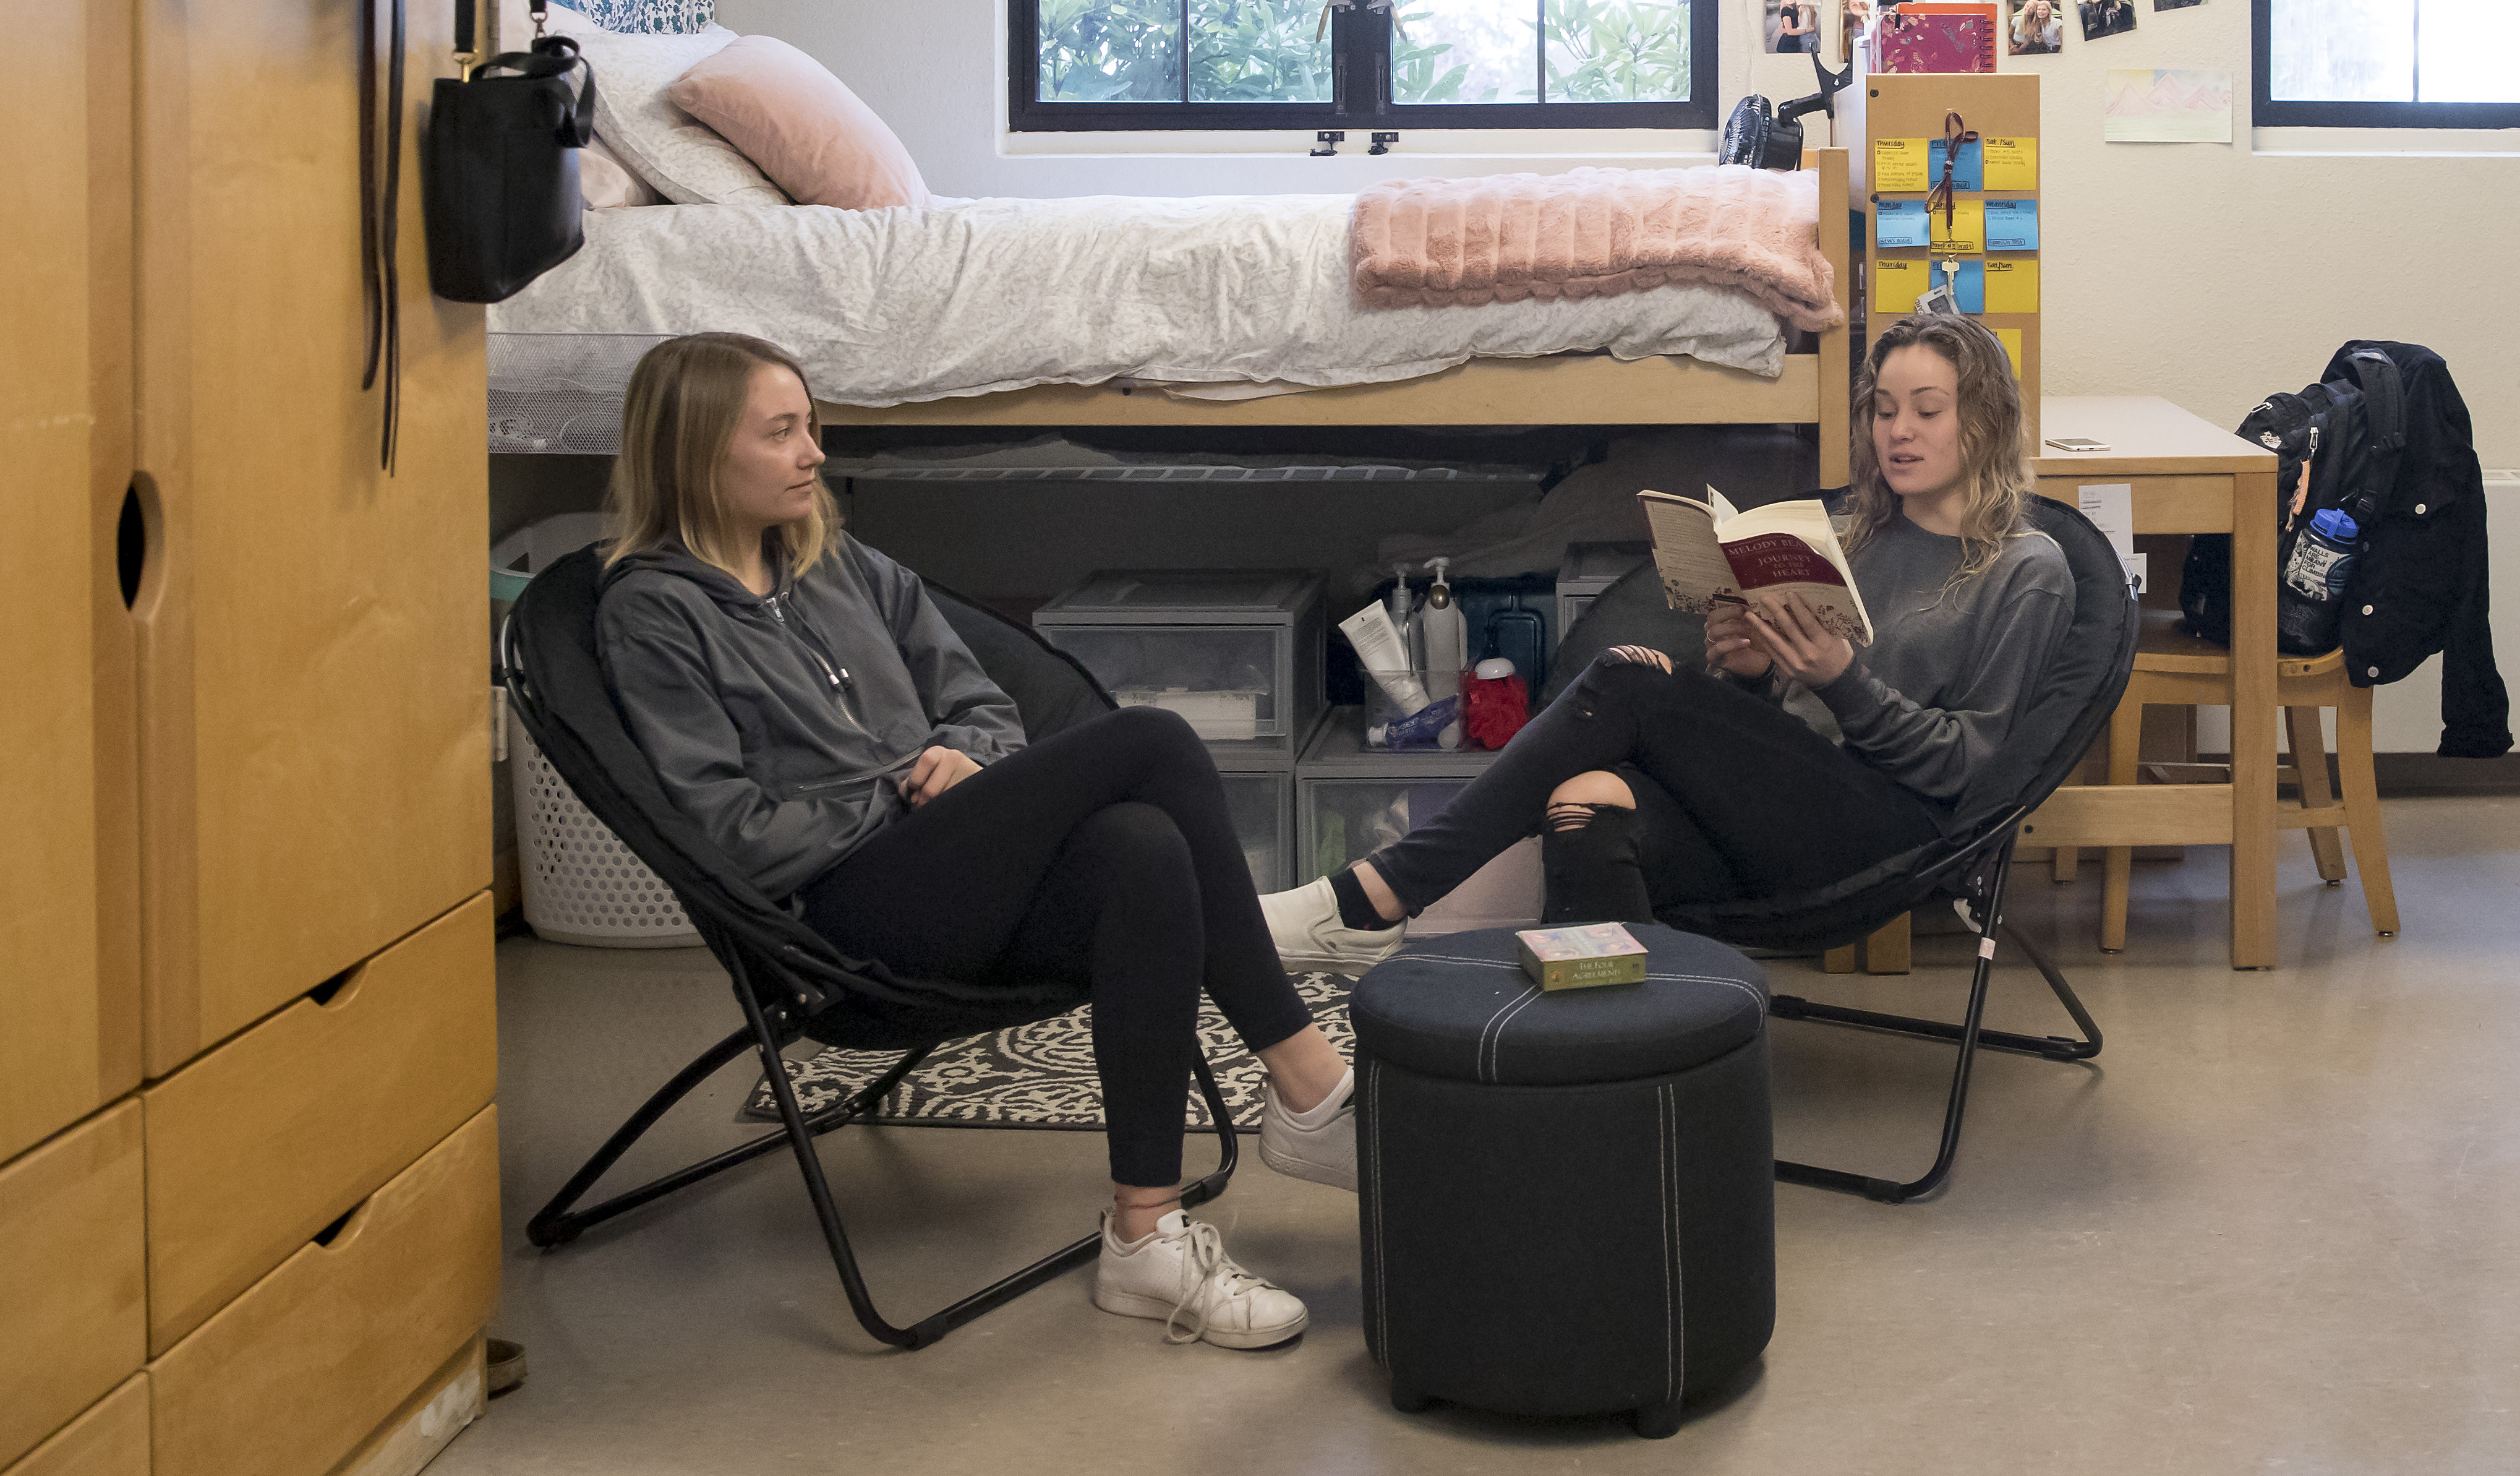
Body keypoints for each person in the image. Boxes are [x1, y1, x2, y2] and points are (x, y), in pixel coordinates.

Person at [596, 332, 1348, 1355]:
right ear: (695, 456)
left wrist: (969, 758)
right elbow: (732, 835)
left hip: (955, 884)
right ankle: (1310, 1086)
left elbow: (979, 695)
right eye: (782, 434)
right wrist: (905, 800)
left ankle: (1144, 1235)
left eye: (812, 425)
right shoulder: (653, 616)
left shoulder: (836, 560)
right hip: (843, 926)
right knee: (1156, 741)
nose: (815, 452)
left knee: (1142, 847)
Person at [1263, 316, 2072, 961]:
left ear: (1984, 421)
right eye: (1885, 409)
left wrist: (1840, 677)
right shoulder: (1852, 536)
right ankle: (1616, 1072)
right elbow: (1787, 737)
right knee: (1588, 808)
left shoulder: (2025, 570)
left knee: (1627, 677)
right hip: (1789, 815)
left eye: (1927, 410)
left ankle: (1373, 897)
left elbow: (1974, 770)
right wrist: (1753, 674)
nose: (1900, 429)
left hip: (1895, 836)